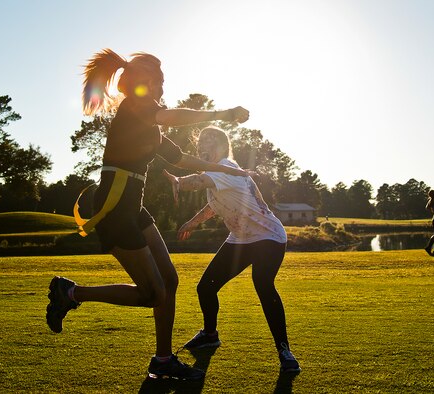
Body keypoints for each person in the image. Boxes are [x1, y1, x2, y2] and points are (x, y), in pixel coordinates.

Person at [46, 49, 250, 381]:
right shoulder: (136, 106)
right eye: (162, 82)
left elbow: (180, 159)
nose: (164, 90)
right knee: (152, 293)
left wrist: (225, 171)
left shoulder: (147, 121)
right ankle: (70, 293)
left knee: (169, 280)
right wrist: (222, 113)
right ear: (149, 82)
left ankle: (163, 360)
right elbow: (170, 116)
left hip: (133, 207)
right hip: (114, 208)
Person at [163, 126, 301, 373]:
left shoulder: (227, 167)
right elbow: (216, 205)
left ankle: (285, 351)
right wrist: (193, 223)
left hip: (268, 236)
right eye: (199, 144)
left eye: (207, 143)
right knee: (206, 287)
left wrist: (178, 181)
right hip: (240, 238)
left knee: (263, 284)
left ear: (220, 146)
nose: (201, 148)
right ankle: (210, 334)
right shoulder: (217, 172)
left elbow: (196, 182)